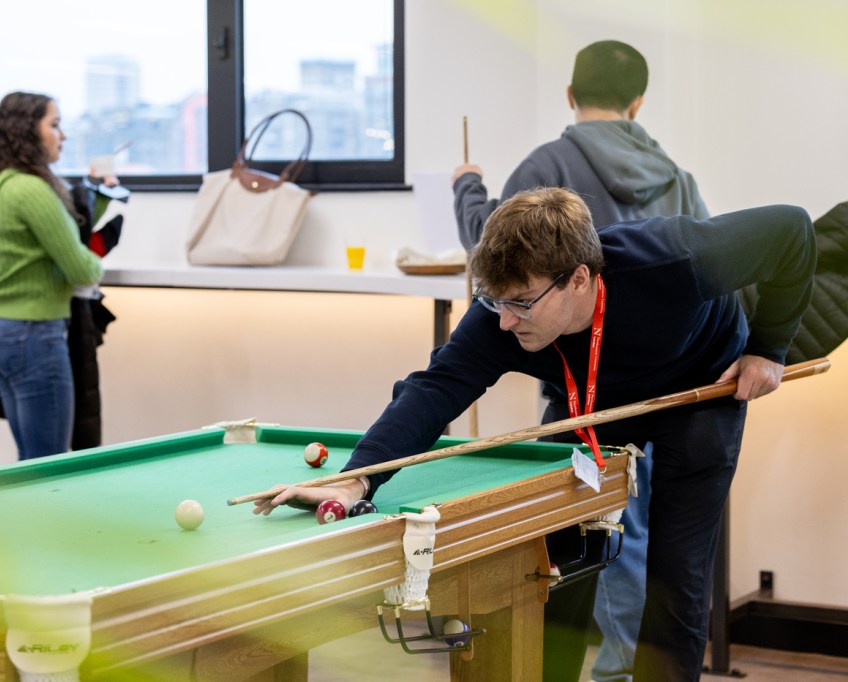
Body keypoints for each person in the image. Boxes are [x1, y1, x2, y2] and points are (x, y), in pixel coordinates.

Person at [255, 187, 816, 681]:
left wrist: (769, 347)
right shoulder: (502, 313)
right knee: (556, 560)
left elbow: (792, 229)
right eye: (494, 301)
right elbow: (434, 389)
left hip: (701, 385)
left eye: (521, 304)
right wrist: (356, 481)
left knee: (677, 579)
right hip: (593, 401)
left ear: (579, 280)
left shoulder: (675, 259)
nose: (504, 321)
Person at [452, 40, 712, 682]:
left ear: (570, 94)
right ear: (638, 102)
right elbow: (708, 272)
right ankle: (621, 672)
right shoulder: (676, 174)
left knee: (578, 539)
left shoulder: (548, 164)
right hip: (665, 395)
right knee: (641, 538)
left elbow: (495, 253)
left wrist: (467, 186)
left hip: (582, 397)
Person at [0, 91, 103, 460]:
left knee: (28, 461)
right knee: (47, 464)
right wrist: (95, 260)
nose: (64, 135)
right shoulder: (31, 189)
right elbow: (82, 268)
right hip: (34, 335)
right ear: (28, 131)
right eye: (55, 124)